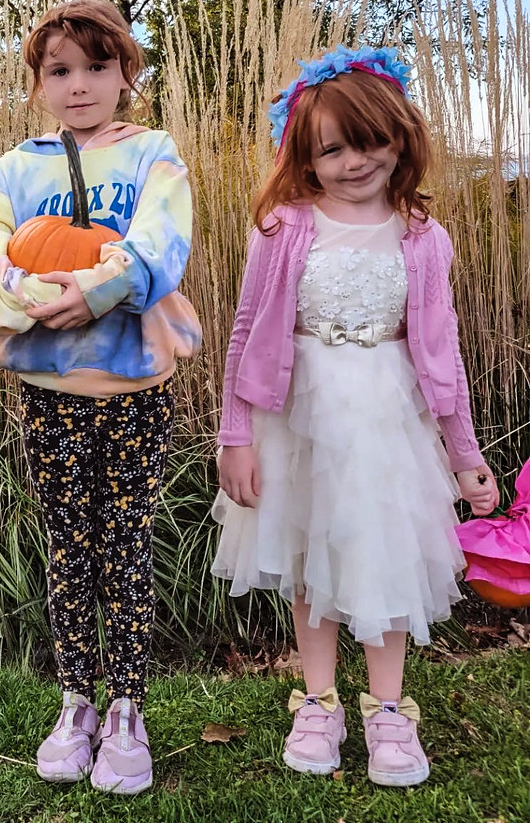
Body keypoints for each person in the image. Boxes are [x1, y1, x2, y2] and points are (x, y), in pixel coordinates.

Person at [210, 45, 500, 788]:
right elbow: (246, 330)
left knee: (385, 556)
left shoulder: (423, 237)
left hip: (386, 415)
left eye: (369, 140)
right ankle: (319, 700)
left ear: (400, 135)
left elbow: (443, 348)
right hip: (298, 415)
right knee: (313, 560)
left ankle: (389, 709)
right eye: (331, 148)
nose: (353, 161)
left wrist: (463, 453)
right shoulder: (283, 228)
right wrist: (235, 435)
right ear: (304, 156)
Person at [0, 0, 202, 795]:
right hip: (49, 390)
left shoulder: (153, 154)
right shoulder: (19, 168)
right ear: (37, 85)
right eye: (60, 70)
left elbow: (164, 238)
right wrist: (18, 289)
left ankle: (129, 705)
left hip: (130, 385)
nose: (80, 84)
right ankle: (76, 699)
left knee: (124, 538)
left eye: (98, 66)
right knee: (67, 540)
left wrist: (101, 288)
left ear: (128, 75)